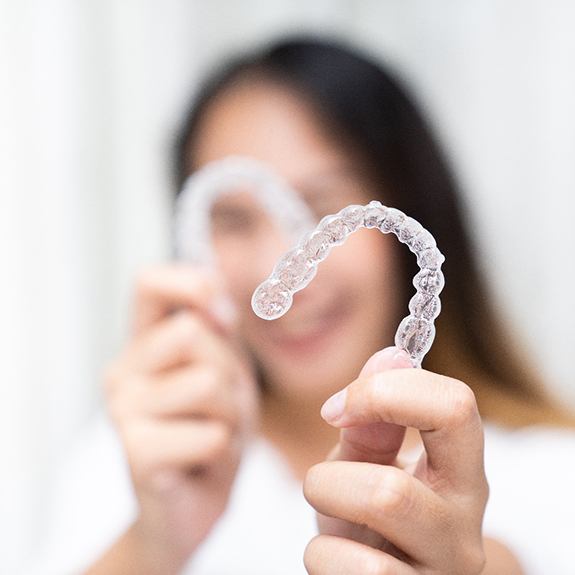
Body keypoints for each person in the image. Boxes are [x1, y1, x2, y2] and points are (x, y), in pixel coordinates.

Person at [33, 37, 575, 575]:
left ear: (407, 205)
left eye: (323, 205)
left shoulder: (552, 477)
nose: (277, 261)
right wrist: (153, 542)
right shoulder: (130, 464)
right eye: (233, 220)